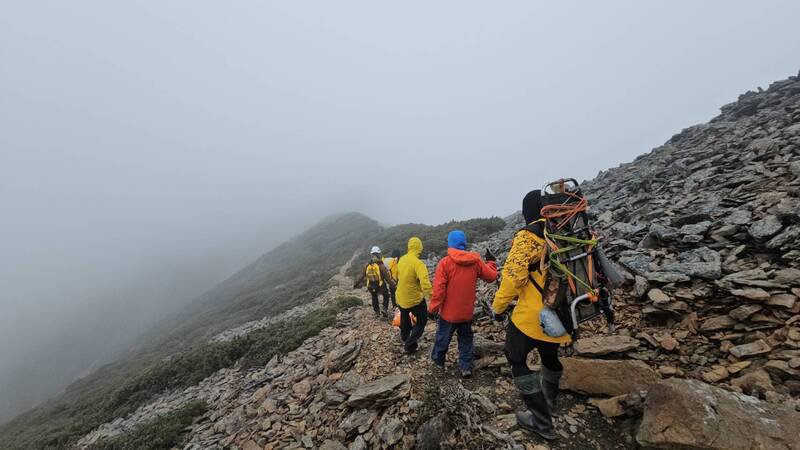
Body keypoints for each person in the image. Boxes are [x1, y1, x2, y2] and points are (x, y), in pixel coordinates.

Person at [491, 190, 571, 441]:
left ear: (528, 211)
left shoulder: (528, 237)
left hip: (533, 314)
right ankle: (549, 400)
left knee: (515, 358)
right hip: (561, 312)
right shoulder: (562, 232)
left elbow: (514, 277)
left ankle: (541, 420)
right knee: (549, 354)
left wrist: (498, 306)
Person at [428, 230, 497, 378]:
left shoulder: (445, 263)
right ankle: (465, 367)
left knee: (442, 338)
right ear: (464, 244)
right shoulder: (476, 261)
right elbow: (491, 277)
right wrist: (491, 262)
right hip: (466, 313)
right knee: (466, 339)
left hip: (448, 314)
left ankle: (438, 362)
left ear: (450, 243)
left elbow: (439, 290)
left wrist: (433, 308)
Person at [395, 237, 432, 354]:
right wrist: (432, 296)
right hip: (415, 300)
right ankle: (410, 344)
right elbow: (425, 283)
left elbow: (396, 276)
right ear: (420, 248)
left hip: (401, 297)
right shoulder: (418, 263)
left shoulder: (401, 260)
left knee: (405, 318)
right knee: (422, 320)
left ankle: (405, 337)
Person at [354, 246, 395, 318]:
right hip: (380, 285)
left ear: (372, 254)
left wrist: (356, 284)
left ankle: (377, 312)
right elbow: (387, 278)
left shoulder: (367, 265)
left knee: (374, 296)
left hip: (370, 285)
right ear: (379, 254)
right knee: (386, 295)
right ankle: (384, 308)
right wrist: (392, 284)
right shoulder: (381, 265)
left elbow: (362, 275)